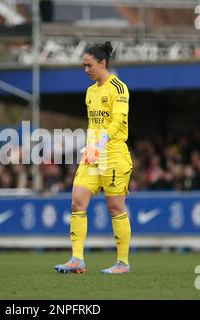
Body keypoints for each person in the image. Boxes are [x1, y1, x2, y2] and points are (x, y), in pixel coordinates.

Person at [54, 41, 133, 274]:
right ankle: (77, 259)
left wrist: (101, 142)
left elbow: (118, 121)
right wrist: (91, 146)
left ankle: (123, 263)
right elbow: (94, 124)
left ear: (103, 63)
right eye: (83, 66)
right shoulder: (90, 92)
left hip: (114, 154)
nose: (86, 70)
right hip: (93, 155)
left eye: (89, 65)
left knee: (116, 208)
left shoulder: (119, 88)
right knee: (77, 200)